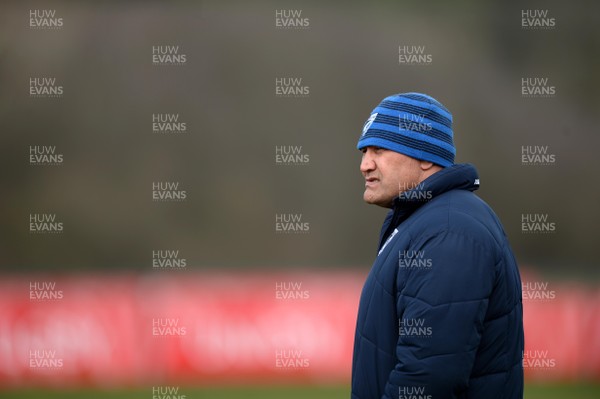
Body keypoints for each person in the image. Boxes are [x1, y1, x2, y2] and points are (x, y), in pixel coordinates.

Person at [351, 93, 524, 399]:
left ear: (426, 156)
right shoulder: (427, 221)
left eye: (379, 149)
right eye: (364, 150)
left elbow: (429, 375)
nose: (365, 165)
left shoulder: (448, 231)